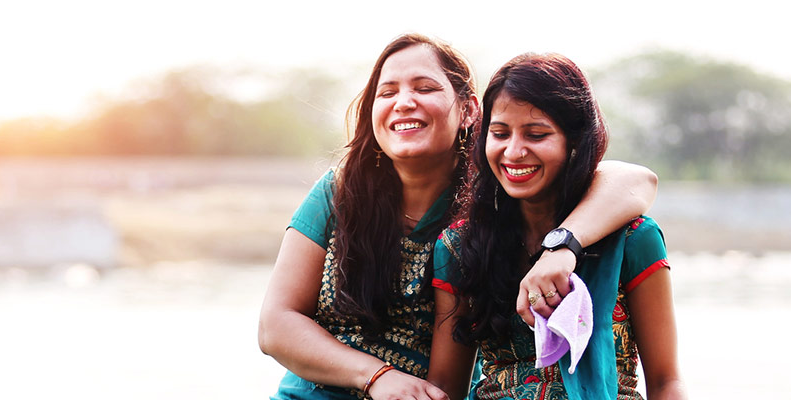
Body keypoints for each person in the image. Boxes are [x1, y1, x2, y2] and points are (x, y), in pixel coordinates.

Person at [258, 34, 659, 400]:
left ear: (468, 111)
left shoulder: (492, 200)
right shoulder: (340, 191)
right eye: (387, 92)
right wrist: (376, 376)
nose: (403, 102)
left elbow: (635, 180)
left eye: (425, 87)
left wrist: (563, 246)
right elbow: (275, 325)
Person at [428, 53, 687, 400]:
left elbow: (666, 382)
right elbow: (446, 386)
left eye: (536, 135)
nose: (514, 151)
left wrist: (562, 249)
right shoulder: (461, 246)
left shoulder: (632, 239)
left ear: (575, 142)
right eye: (500, 133)